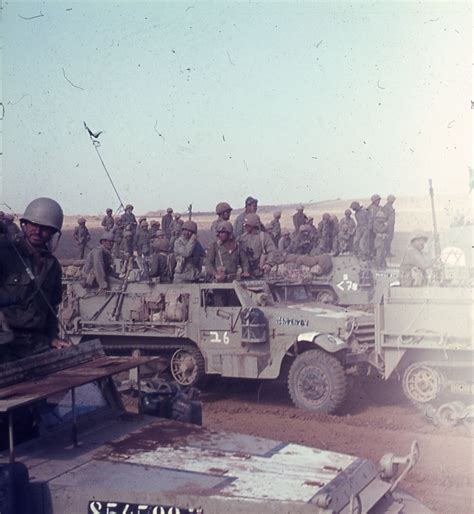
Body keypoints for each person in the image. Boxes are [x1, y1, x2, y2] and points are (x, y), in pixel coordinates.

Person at [0, 197, 70, 363]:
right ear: (24, 224)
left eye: (44, 229)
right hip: (5, 342)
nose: (37, 232)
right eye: (33, 225)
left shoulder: (52, 266)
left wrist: (52, 339)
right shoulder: (5, 253)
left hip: (35, 344)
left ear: (53, 233)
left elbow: (51, 310)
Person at [238, 213, 276, 278]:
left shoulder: (264, 237)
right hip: (246, 272)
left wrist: (268, 264)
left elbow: (272, 251)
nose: (245, 227)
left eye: (247, 225)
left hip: (261, 271)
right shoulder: (242, 238)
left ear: (253, 225)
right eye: (245, 225)